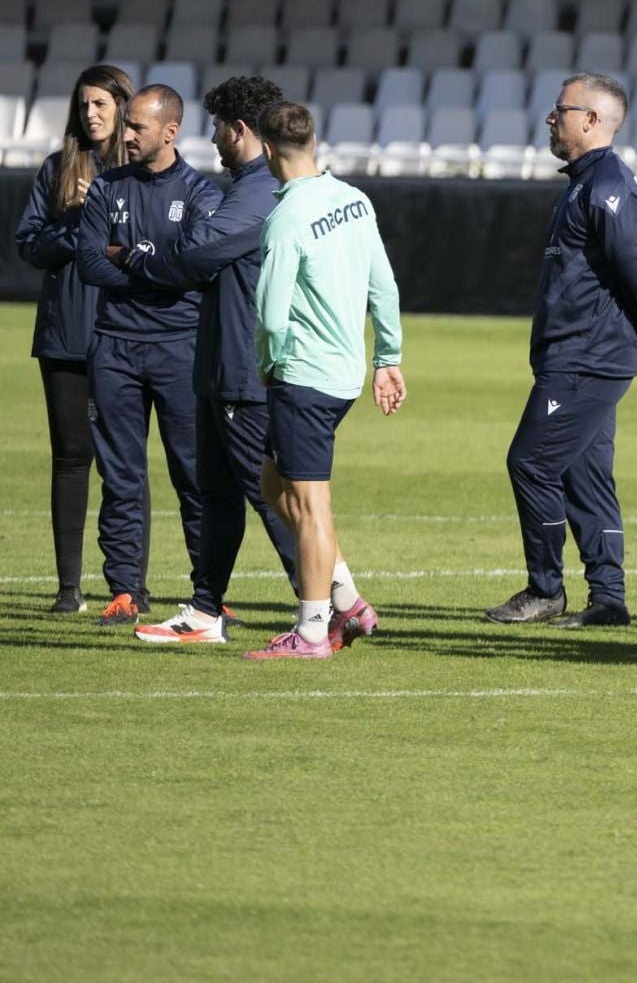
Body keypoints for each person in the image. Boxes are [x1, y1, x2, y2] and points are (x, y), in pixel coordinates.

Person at [129, 76, 312, 646]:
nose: (211, 140)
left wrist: (140, 253)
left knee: (271, 495)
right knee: (219, 496)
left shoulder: (259, 193)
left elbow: (193, 253)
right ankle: (206, 612)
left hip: (243, 370)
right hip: (215, 366)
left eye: (218, 128)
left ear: (241, 130)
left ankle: (326, 608)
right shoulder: (243, 189)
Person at [486, 74, 637, 629]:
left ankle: (545, 588)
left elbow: (631, 266)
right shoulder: (587, 182)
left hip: (587, 358)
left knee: (531, 462)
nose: (550, 119)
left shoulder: (608, 184)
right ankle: (609, 599)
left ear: (590, 120)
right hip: (578, 353)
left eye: (559, 110)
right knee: (586, 476)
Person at [243, 102, 406, 660]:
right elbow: (382, 283)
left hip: (304, 375)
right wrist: (388, 355)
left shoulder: (285, 219)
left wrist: (269, 363)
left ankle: (312, 631)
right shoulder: (354, 200)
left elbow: (269, 312)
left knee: (310, 506)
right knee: (271, 485)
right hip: (344, 374)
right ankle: (348, 598)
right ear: (314, 140)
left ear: (266, 150)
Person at [74, 83, 222, 626]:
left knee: (194, 474)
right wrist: (155, 264)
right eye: (127, 124)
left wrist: (130, 254)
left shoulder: (202, 194)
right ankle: (124, 589)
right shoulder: (106, 188)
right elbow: (90, 262)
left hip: (180, 349)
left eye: (137, 126)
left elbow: (194, 267)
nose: (127, 134)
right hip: (113, 345)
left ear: (170, 131)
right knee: (120, 475)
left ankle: (209, 593)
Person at [14, 65, 137, 614]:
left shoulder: (143, 173)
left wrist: (102, 213)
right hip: (66, 335)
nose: (90, 114)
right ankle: (69, 589)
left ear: (122, 109)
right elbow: (30, 245)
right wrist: (75, 222)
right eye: (83, 105)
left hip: (127, 335)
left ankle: (128, 588)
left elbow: (153, 249)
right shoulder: (57, 168)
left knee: (124, 461)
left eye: (100, 105)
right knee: (70, 456)